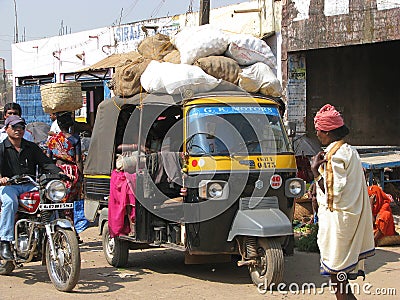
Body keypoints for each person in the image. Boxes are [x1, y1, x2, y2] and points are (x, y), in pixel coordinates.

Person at [310, 104, 375, 300]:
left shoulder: (334, 156)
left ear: (328, 132)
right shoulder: (349, 151)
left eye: (319, 131)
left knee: (337, 277)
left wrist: (315, 172)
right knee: (341, 279)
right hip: (350, 218)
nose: (317, 134)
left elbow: (334, 193)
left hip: (339, 223)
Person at [0, 115, 62, 261]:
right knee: (10, 203)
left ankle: (54, 233)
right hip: (10, 186)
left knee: (50, 198)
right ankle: (5, 241)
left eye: (21, 127)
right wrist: (1, 178)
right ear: (7, 128)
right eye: (15, 127)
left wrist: (60, 173)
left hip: (30, 185)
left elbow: (46, 163)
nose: (18, 130)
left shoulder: (31, 147)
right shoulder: (2, 148)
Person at [47, 112, 84, 242]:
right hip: (72, 172)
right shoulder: (75, 139)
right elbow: (78, 159)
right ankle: (72, 233)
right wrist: (80, 176)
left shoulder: (52, 140)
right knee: (70, 204)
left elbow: (48, 159)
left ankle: (62, 232)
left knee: (58, 203)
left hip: (58, 172)